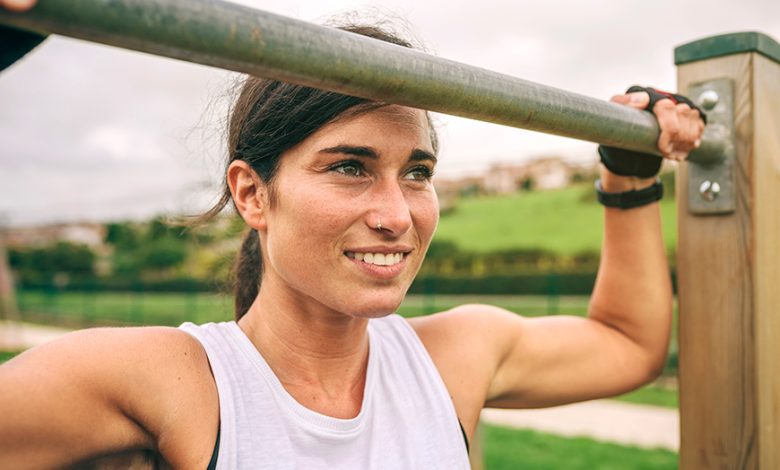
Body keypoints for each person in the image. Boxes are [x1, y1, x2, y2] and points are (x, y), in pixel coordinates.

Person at [0, 4, 706, 469]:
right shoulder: (174, 382)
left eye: (417, 171)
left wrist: (628, 174)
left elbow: (626, 345)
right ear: (252, 193)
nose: (398, 215)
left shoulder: (453, 358)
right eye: (349, 167)